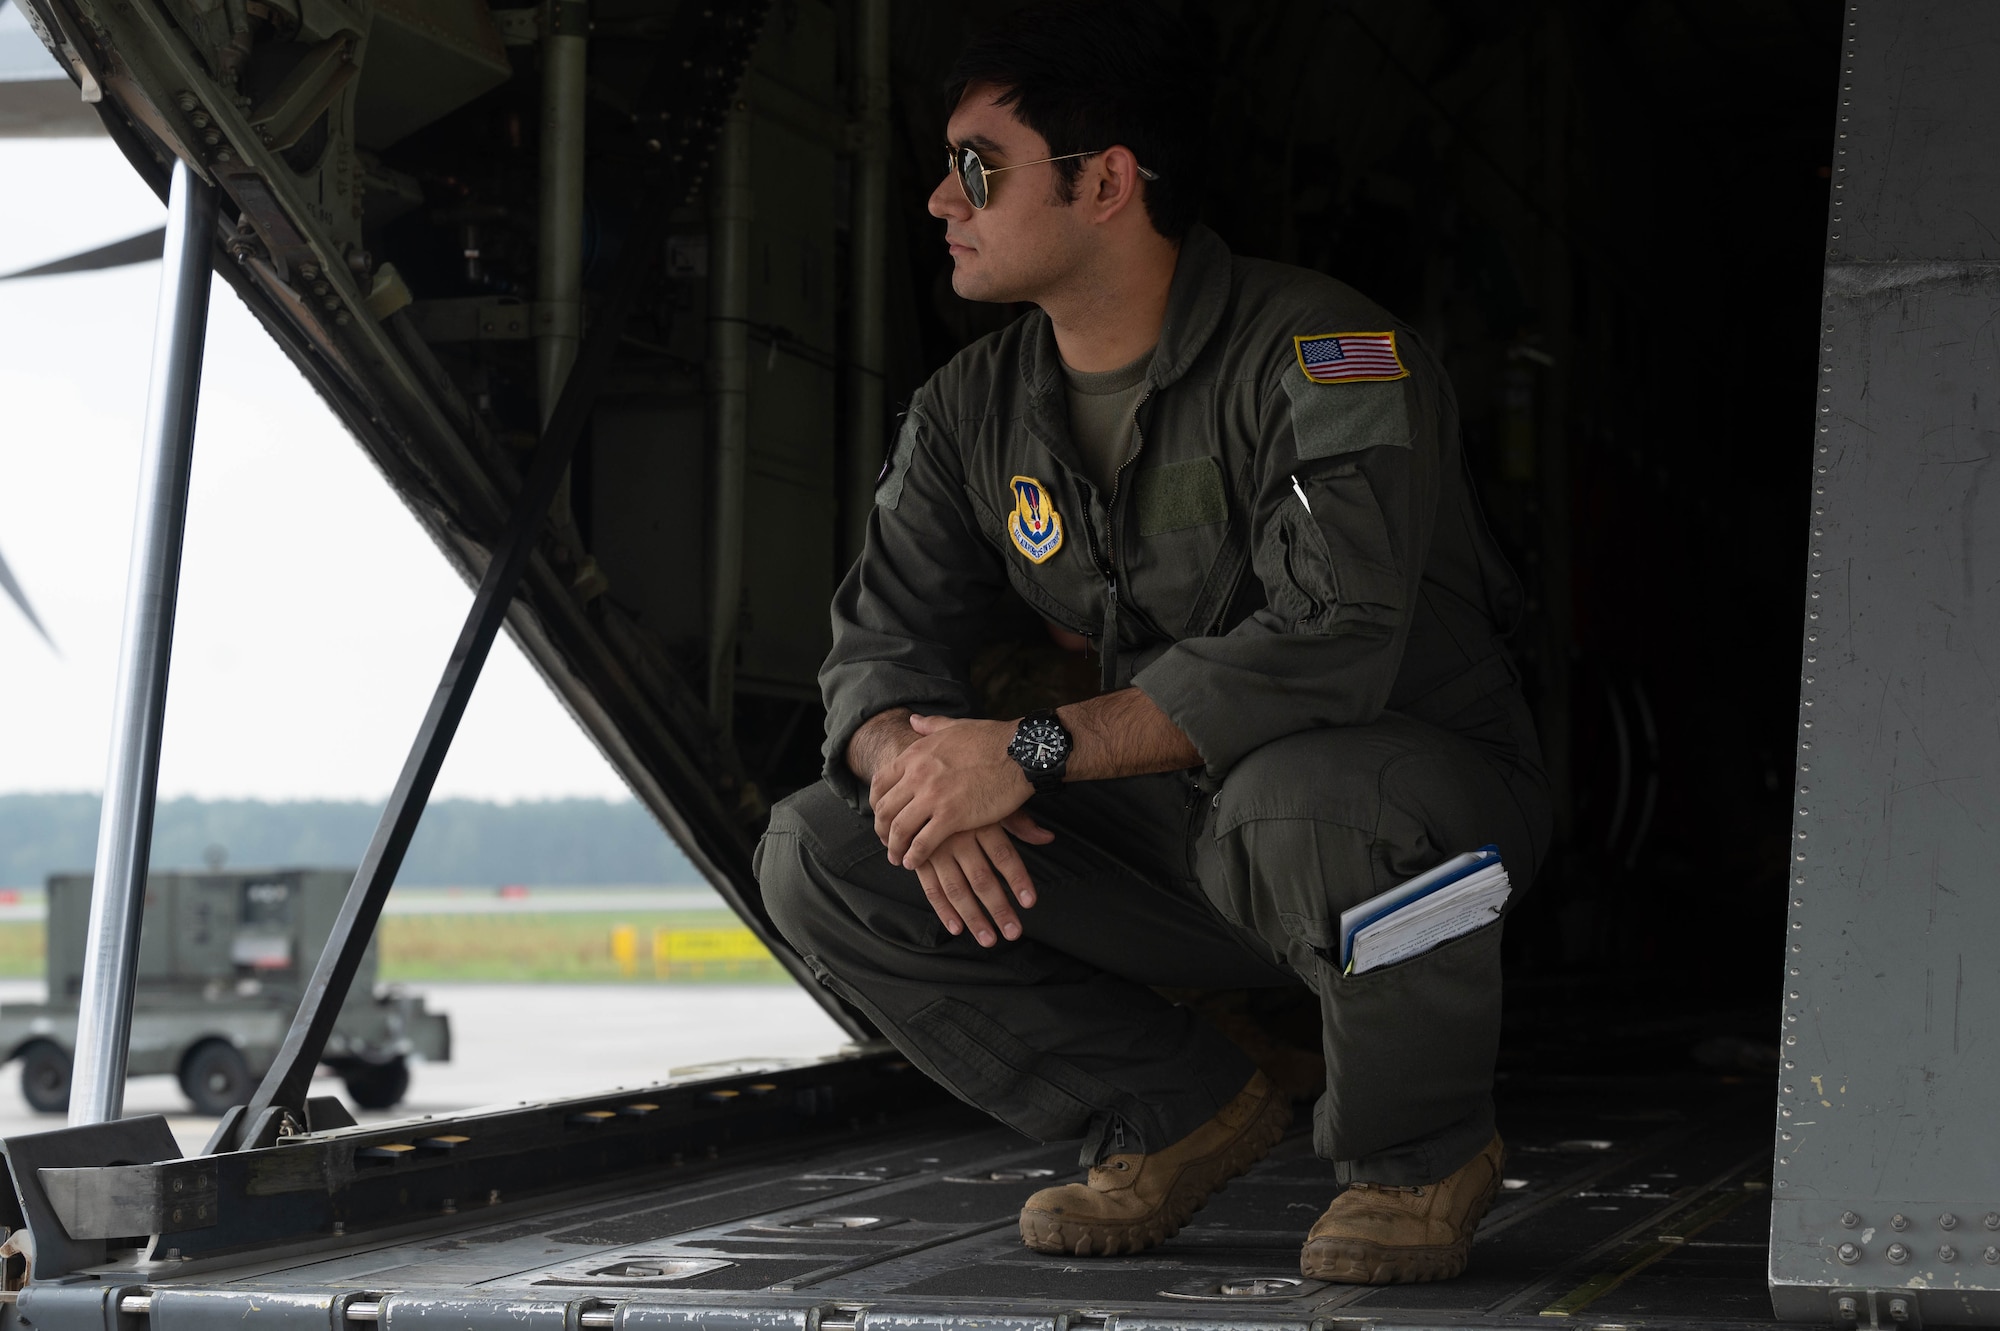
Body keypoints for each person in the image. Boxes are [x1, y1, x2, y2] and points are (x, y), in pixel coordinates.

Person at [755, 0, 1552, 1285]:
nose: (938, 203)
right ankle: (1175, 1111)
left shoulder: (1324, 356)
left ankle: (1417, 1154)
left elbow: (1326, 640)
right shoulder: (973, 408)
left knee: (1310, 801)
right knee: (826, 848)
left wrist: (1020, 744)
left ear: (1106, 183)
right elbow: (879, 637)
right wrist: (919, 768)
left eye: (977, 168)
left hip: (1403, 808)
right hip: (1175, 825)